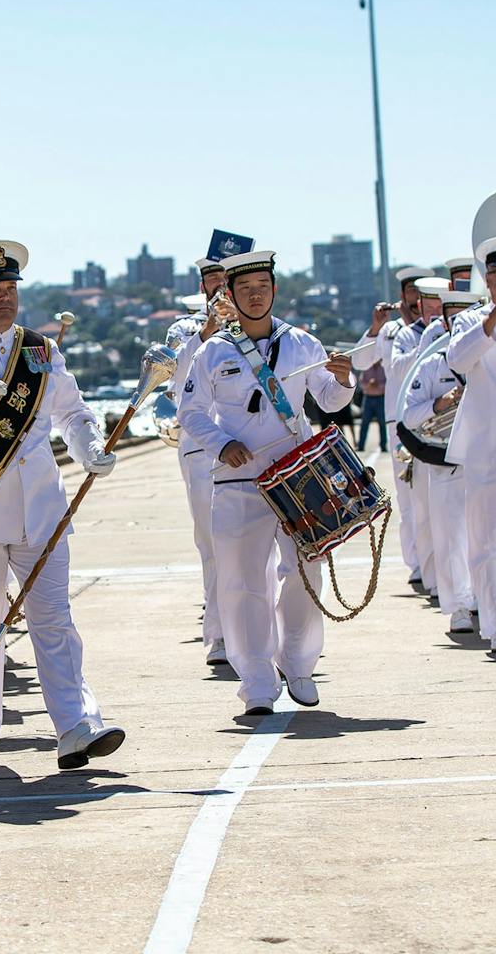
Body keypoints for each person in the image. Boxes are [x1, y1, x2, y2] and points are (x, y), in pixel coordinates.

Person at [0, 240, 122, 769]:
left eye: (10, 288)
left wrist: (90, 449)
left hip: (40, 507)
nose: (5, 297)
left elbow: (74, 413)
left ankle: (76, 725)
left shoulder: (40, 350)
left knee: (54, 619)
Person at [178, 248, 356, 714]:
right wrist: (221, 444)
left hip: (296, 477)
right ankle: (256, 678)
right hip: (237, 477)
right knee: (241, 580)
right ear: (230, 295)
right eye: (244, 290)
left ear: (274, 290)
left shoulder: (303, 343)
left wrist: (344, 380)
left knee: (303, 570)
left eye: (262, 288)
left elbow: (330, 401)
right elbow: (190, 414)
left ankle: (297, 665)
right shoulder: (213, 351)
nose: (254, 296)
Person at [444, 238, 496, 654]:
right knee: (489, 541)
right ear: (486, 279)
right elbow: (457, 360)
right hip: (487, 448)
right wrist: (493, 320)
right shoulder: (471, 321)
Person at [402, 288, 482, 639]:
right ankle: (458, 606)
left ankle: (486, 599)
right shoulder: (433, 365)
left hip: (485, 460)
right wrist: (442, 403)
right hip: (445, 460)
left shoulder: (490, 357)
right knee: (450, 537)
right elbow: (409, 416)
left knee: (488, 537)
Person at [164, 258, 230, 668]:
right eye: (212, 279)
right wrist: (207, 331)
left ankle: (258, 631)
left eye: (226, 278)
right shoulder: (183, 329)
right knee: (212, 542)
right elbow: (173, 378)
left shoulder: (259, 327)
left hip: (254, 444)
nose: (219, 286)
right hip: (201, 447)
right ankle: (221, 634)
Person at [354, 267, 432, 589]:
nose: (417, 299)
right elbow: (359, 361)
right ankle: (416, 563)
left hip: (434, 418)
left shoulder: (437, 328)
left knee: (436, 499)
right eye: (412, 292)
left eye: (422, 293)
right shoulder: (390, 331)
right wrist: (375, 327)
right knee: (409, 497)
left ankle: (437, 562)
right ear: (403, 295)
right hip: (398, 421)